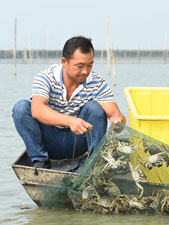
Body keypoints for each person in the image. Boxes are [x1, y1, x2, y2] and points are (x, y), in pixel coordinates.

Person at [12, 36, 126, 169]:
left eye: (90, 65)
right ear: (64, 62)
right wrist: (70, 121)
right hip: (49, 142)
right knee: (21, 108)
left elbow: (116, 115)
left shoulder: (97, 82)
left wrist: (118, 121)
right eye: (80, 66)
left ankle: (93, 163)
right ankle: (41, 160)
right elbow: (37, 110)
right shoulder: (45, 77)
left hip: (77, 142)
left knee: (94, 108)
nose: (85, 71)